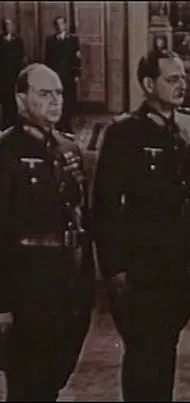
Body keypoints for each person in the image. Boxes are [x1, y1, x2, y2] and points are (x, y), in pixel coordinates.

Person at [92, 49, 190, 401]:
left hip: (179, 263)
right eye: (171, 79)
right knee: (143, 354)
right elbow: (104, 205)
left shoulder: (186, 128)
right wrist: (114, 267)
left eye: (182, 78)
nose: (181, 85)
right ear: (148, 84)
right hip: (142, 264)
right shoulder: (125, 132)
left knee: (165, 349)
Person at [0, 63, 94, 400]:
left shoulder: (68, 149)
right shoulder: (5, 151)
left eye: (59, 93)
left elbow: (81, 217)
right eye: (44, 93)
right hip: (27, 287)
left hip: (66, 286)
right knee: (27, 386)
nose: (55, 101)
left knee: (52, 380)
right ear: (21, 99)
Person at [45, 16, 82, 133]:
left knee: (69, 100)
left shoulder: (73, 39)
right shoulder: (50, 41)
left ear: (65, 25)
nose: (59, 27)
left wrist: (77, 74)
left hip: (69, 75)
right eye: (57, 24)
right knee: (57, 100)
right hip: (56, 75)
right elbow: (48, 59)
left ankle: (67, 124)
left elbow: (77, 58)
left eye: (61, 24)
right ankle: (59, 124)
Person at [0, 18, 26, 129]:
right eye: (5, 25)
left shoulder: (18, 41)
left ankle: (15, 123)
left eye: (9, 25)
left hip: (15, 75)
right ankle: (6, 123)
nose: (7, 27)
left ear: (13, 26)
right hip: (3, 76)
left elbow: (22, 58)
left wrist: (21, 75)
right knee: (5, 99)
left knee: (15, 99)